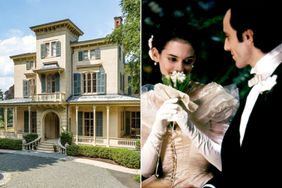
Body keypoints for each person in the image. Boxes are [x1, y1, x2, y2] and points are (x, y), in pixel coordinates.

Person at [141, 27, 239, 188]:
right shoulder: (147, 102)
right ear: (156, 54)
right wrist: (158, 128)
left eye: (187, 61)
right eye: (172, 59)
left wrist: (191, 129)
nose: (180, 68)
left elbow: (228, 164)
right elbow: (145, 171)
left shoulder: (213, 98)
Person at [203, 1, 282, 188]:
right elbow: (239, 167)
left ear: (248, 36)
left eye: (228, 37)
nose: (225, 46)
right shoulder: (256, 88)